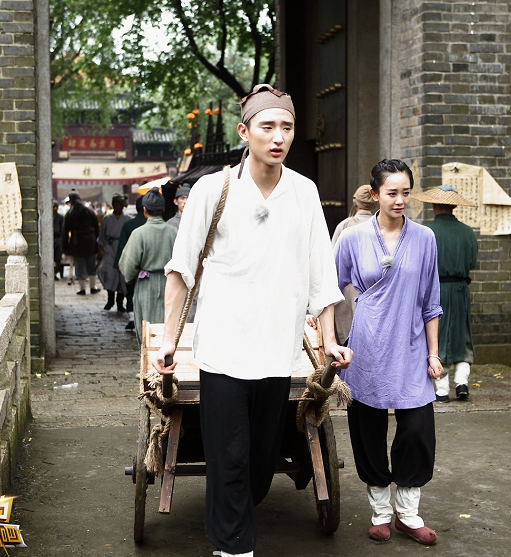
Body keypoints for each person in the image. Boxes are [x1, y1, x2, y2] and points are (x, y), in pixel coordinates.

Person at [153, 84, 352, 557]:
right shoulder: (212, 190)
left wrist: (329, 340)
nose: (277, 136)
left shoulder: (304, 193)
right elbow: (181, 270)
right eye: (267, 127)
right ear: (245, 132)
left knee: (262, 462)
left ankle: (235, 510)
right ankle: (232, 546)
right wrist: (167, 338)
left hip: (277, 351)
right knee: (230, 457)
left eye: (286, 127)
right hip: (222, 348)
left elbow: (322, 276)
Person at [334, 159, 443, 546]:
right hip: (367, 344)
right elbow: (331, 291)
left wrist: (433, 354)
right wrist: (331, 341)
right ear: (375, 194)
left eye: (406, 192)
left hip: (411, 345)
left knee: (416, 429)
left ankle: (408, 513)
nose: (400, 200)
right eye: (392, 193)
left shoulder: (426, 238)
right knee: (368, 429)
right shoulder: (352, 237)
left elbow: (431, 301)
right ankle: (381, 511)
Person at [412, 186, 478, 402]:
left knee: (436, 336)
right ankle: (462, 381)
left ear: (433, 205)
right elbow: (472, 263)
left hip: (435, 289)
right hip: (460, 290)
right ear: (454, 206)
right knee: (462, 336)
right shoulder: (467, 232)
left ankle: (441, 389)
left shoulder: (425, 231)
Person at [118, 188, 177, 344]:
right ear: (163, 209)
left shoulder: (139, 233)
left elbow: (128, 265)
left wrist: (131, 279)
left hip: (146, 284)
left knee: (146, 327)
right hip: (170, 283)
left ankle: (149, 362)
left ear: (144, 210)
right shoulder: (174, 232)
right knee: (168, 326)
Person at [330, 184, 379, 345]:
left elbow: (332, 262)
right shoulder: (381, 226)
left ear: (355, 201)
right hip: (375, 288)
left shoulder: (345, 226)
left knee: (348, 339)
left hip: (347, 288)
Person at [115, 195, 148, 331]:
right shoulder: (160, 226)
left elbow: (121, 246)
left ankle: (131, 317)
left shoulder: (128, 225)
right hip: (150, 267)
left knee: (130, 291)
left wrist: (119, 264)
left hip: (133, 264)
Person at [61, 191, 101, 295]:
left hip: (76, 243)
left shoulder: (70, 213)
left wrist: (65, 247)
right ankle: (93, 287)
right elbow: (97, 228)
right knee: (92, 265)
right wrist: (97, 241)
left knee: (79, 265)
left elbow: (65, 232)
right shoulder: (90, 211)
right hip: (91, 242)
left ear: (72, 201)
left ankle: (82, 289)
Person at [98, 194, 132, 311]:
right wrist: (101, 249)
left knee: (122, 277)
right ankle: (110, 299)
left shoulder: (128, 219)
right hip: (109, 249)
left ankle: (119, 302)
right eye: (116, 205)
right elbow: (102, 236)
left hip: (123, 249)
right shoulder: (106, 219)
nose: (118, 207)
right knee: (110, 275)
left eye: (120, 205)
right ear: (113, 205)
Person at [52, 200, 64, 280]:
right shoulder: (48, 217)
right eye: (53, 207)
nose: (55, 209)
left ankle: (56, 271)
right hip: (51, 239)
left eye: (56, 207)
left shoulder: (60, 217)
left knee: (58, 257)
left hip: (58, 239)